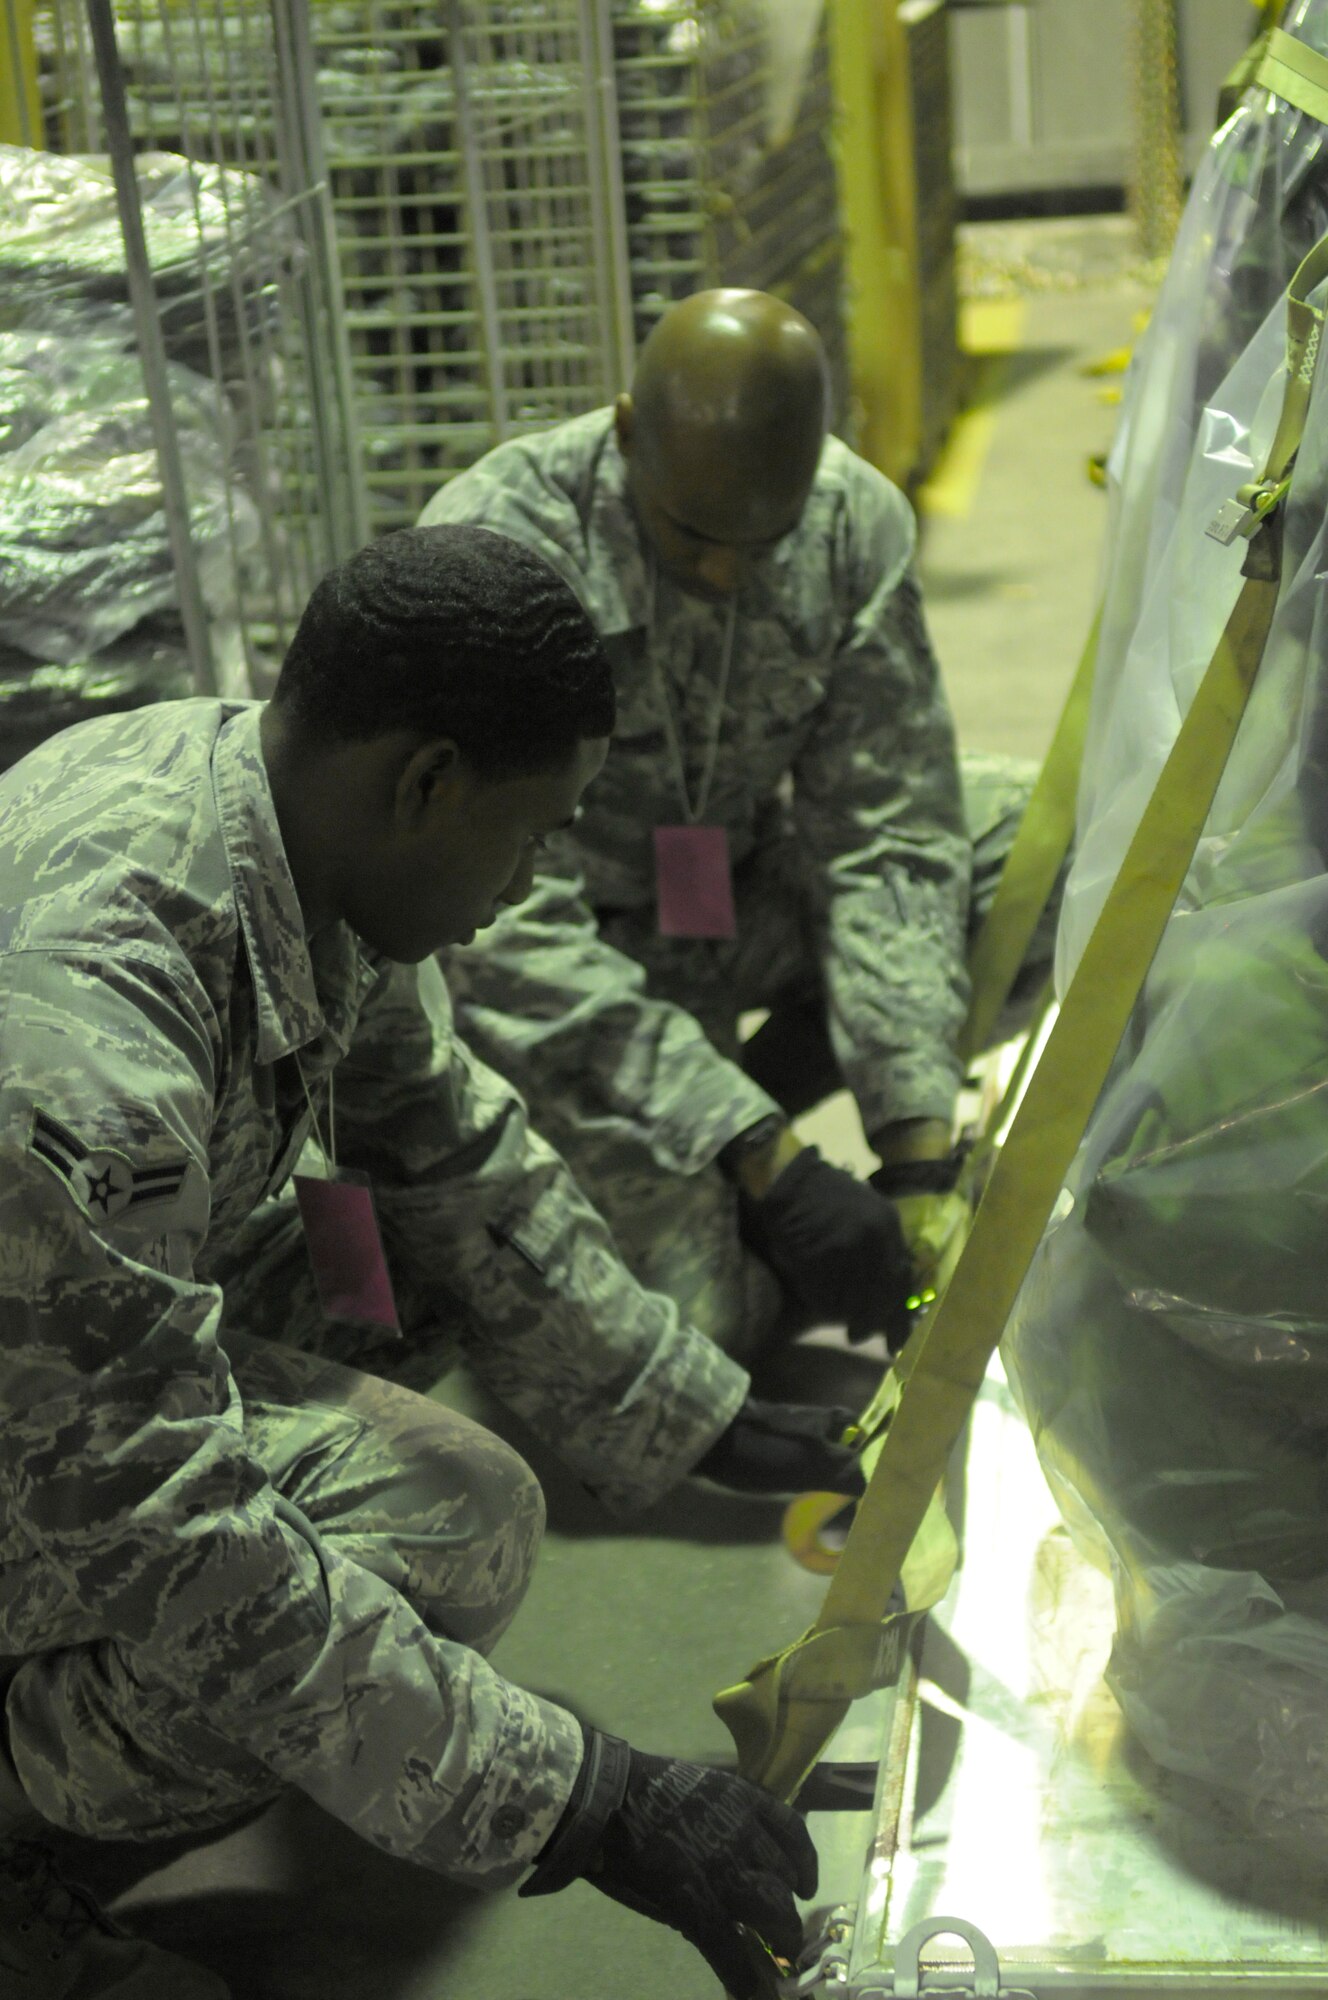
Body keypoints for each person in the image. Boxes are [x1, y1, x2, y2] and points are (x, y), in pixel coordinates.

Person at [0, 525, 851, 1999]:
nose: (535, 879)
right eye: (535, 832)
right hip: (59, 1424)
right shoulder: (89, 1028)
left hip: (57, 1362)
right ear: (426, 782)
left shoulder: (278, 819)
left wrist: (693, 1411)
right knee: (445, 1518)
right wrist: (580, 1800)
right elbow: (163, 1519)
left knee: (404, 1256)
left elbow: (453, 1149)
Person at [421, 289, 1053, 1362]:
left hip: (733, 898)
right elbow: (499, 942)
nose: (726, 573)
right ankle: (691, 1168)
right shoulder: (500, 554)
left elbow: (887, 831)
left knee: (1044, 845)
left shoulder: (849, 522)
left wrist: (912, 1152)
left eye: (764, 543)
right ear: (627, 433)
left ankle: (744, 1133)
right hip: (570, 961)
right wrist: (763, 1154)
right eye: (695, 536)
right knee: (703, 1334)